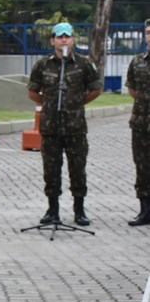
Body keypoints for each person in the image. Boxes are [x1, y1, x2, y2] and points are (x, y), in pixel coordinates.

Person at [28, 22, 102, 226]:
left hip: (75, 128)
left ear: (73, 40)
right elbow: (33, 91)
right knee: (51, 170)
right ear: (52, 40)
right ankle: (52, 210)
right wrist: (49, 104)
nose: (63, 40)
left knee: (77, 169)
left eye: (67, 36)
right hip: (50, 127)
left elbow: (96, 89)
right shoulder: (43, 65)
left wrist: (77, 103)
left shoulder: (84, 64)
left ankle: (79, 210)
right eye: (59, 36)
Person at [125, 18, 150, 226]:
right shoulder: (137, 61)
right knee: (142, 167)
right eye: (148, 32)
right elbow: (132, 89)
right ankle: (144, 211)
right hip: (141, 124)